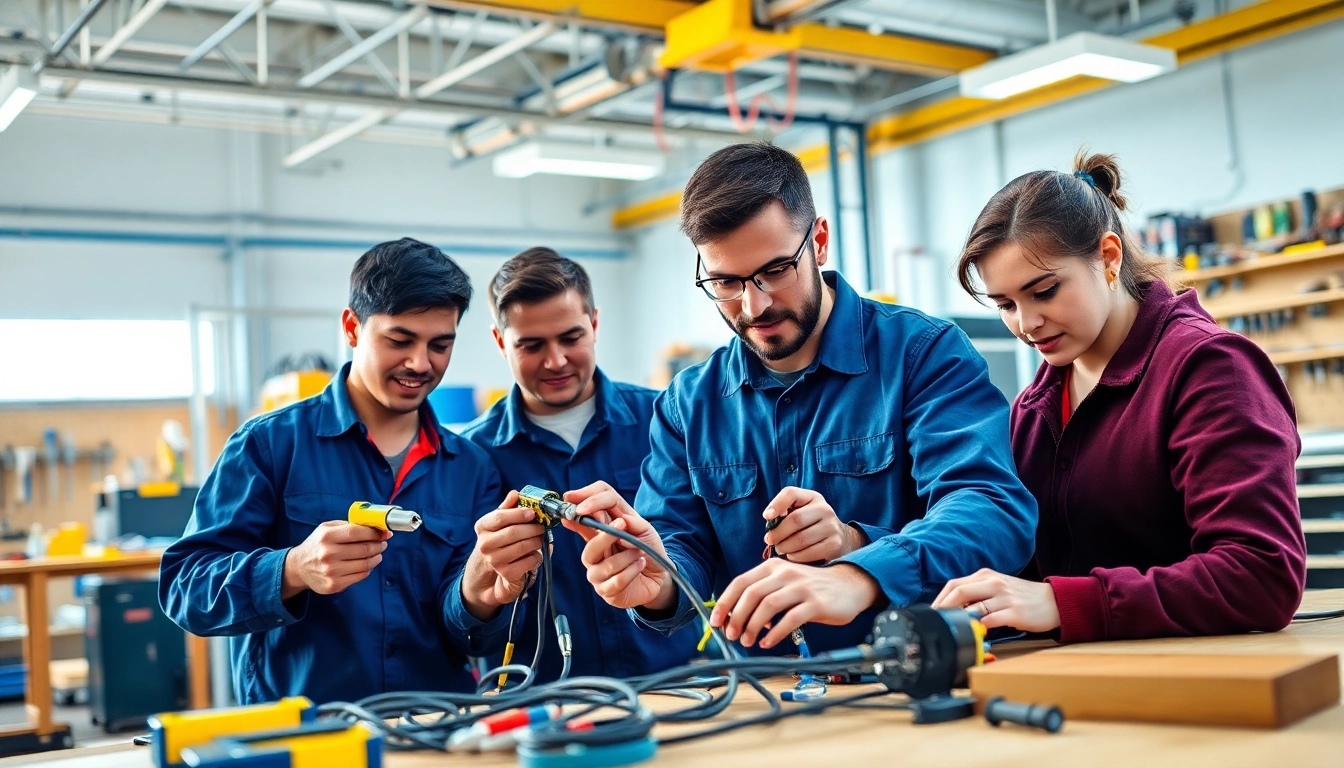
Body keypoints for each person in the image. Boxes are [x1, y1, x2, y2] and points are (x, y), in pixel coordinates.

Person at [562, 142, 1038, 653]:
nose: (754, 304)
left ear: (820, 241)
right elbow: (681, 546)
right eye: (725, 281)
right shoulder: (687, 404)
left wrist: (859, 561)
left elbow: (990, 510)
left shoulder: (922, 354)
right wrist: (656, 582)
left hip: (912, 675)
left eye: (774, 271)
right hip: (767, 694)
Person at [932, 152, 1306, 641]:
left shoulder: (1210, 368)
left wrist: (1064, 603)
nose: (1026, 324)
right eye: (1006, 304)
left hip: (1207, 680)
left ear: (1108, 258)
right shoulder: (1031, 409)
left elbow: (1261, 574)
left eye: (1044, 291)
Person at [159, 238, 503, 703]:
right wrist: (292, 568)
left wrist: (480, 596)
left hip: (434, 728)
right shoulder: (269, 445)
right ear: (352, 327)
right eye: (399, 340)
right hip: (307, 733)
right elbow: (186, 588)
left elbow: (471, 635)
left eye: (440, 345)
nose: (420, 364)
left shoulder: (472, 467)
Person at [452, 247, 698, 679]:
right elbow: (460, 624)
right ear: (499, 342)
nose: (556, 361)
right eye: (531, 345)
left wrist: (660, 586)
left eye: (571, 337)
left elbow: (701, 555)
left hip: (673, 688)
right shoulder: (467, 456)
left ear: (595, 324)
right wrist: (481, 592)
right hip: (543, 706)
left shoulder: (664, 422)